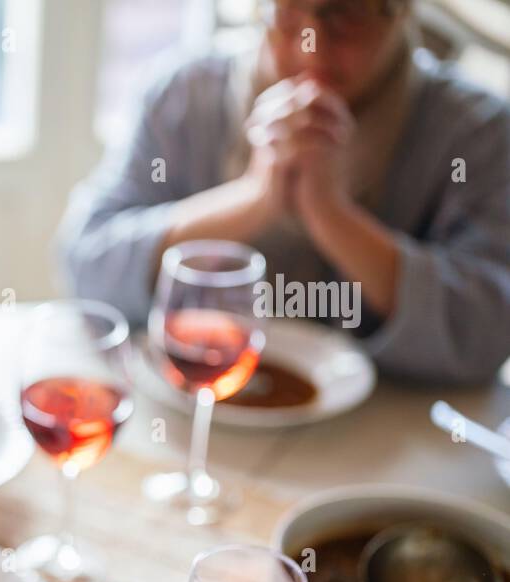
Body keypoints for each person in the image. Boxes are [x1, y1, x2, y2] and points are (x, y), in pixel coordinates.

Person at [58, 0, 510, 385]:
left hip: (396, 445)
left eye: (344, 17)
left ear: (401, 13)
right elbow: (86, 264)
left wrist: (331, 216)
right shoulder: (184, 95)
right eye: (288, 16)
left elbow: (488, 333)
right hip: (191, 414)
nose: (311, 50)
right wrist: (254, 198)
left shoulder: (477, 133)